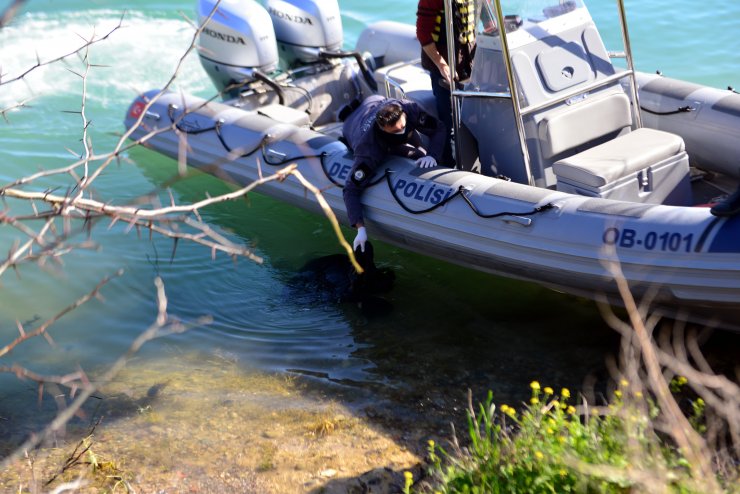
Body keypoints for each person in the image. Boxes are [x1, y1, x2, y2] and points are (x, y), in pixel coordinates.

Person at [342, 95, 447, 252]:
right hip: (354, 124)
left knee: (423, 153)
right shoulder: (368, 148)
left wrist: (433, 155)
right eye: (396, 131)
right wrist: (360, 229)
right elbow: (350, 189)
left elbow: (438, 128)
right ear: (383, 128)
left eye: (402, 127)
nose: (401, 131)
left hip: (375, 100)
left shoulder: (409, 108)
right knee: (416, 154)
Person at [416, 0, 476, 165]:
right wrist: (442, 65)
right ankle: (449, 165)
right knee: (449, 119)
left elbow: (485, 16)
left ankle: (476, 159)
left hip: (469, 60)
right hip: (443, 63)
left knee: (476, 114)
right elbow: (423, 33)